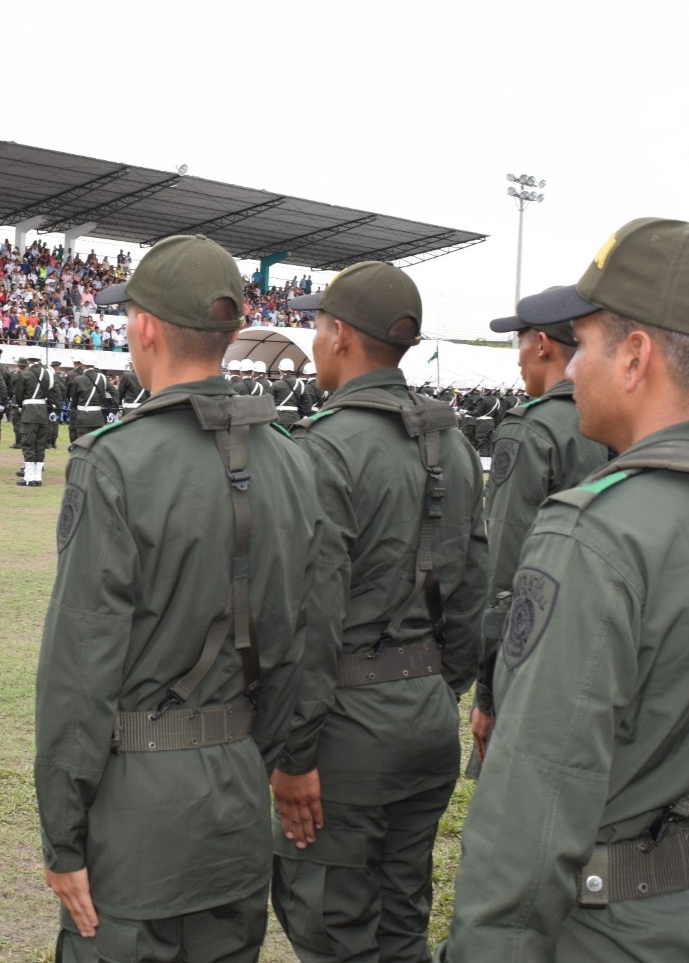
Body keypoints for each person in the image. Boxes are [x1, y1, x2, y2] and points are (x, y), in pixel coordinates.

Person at [438, 219, 689, 962]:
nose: (571, 366)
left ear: (635, 357)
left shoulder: (596, 536)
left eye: (583, 344)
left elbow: (528, 821)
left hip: (596, 930)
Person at [35, 234, 333, 962]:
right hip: (234, 795)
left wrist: (63, 835)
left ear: (144, 327)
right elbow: (305, 637)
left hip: (138, 816)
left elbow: (81, 668)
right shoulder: (294, 461)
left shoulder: (115, 463)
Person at [272, 262, 489, 963]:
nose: (313, 341)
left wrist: (295, 751)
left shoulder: (327, 446)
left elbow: (311, 613)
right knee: (402, 926)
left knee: (336, 930)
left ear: (340, 336)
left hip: (345, 728)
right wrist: (437, 682)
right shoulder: (450, 443)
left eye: (317, 326)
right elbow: (473, 584)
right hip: (425, 716)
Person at [471, 291, 612, 771]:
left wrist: (486, 693)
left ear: (544, 346)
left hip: (535, 651)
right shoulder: (619, 419)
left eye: (520, 343)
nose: (518, 359)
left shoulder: (532, 430)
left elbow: (504, 569)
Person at [13, 355, 62, 487]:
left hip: (29, 411)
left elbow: (19, 395)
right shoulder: (49, 374)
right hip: (44, 412)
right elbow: (57, 394)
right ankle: (38, 477)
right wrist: (55, 410)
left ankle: (29, 477)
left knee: (28, 443)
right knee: (40, 445)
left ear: (29, 360)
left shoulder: (26, 374)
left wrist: (21, 406)